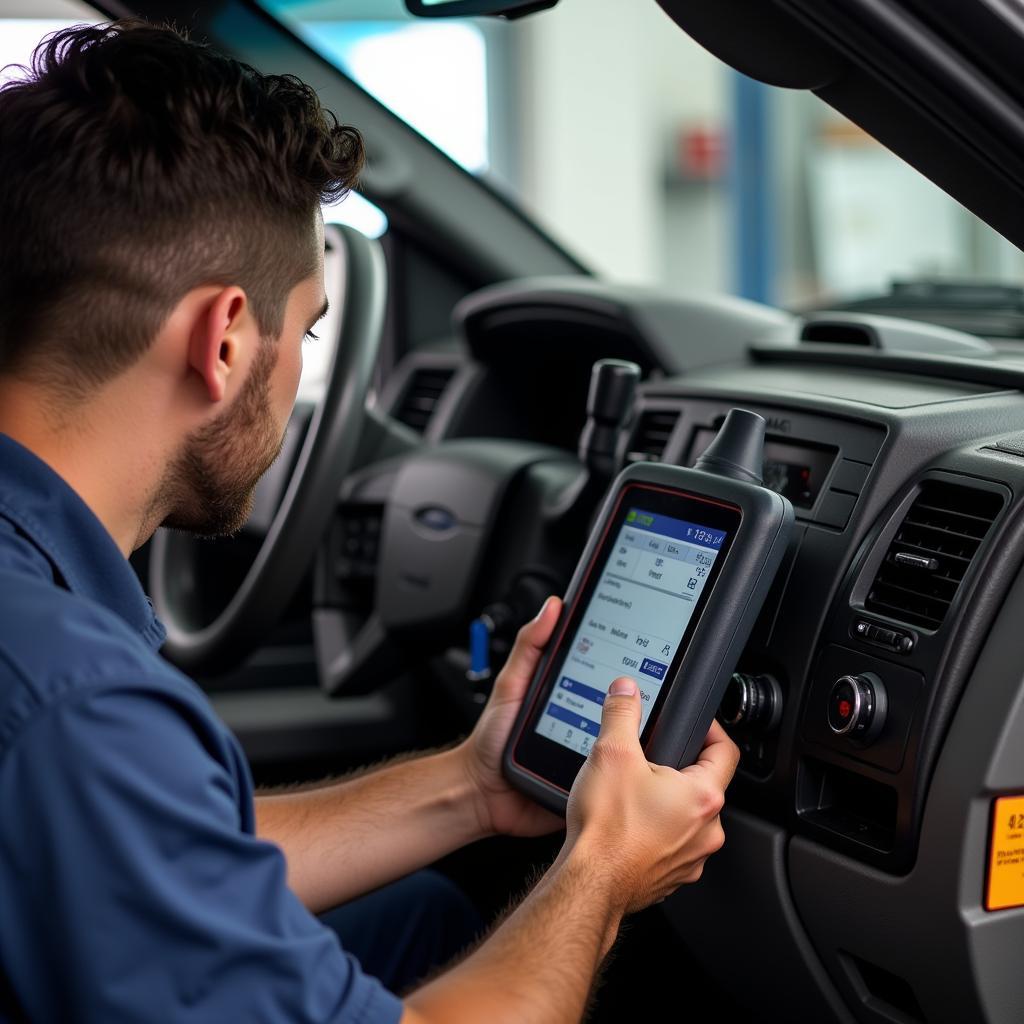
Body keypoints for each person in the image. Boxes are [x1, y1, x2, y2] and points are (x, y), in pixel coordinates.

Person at [0, 19, 738, 1024]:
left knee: (421, 916)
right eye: (303, 330)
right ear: (222, 341)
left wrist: (471, 785)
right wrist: (605, 865)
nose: (301, 369)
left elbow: (151, 854)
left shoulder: (44, 638)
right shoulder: (72, 702)